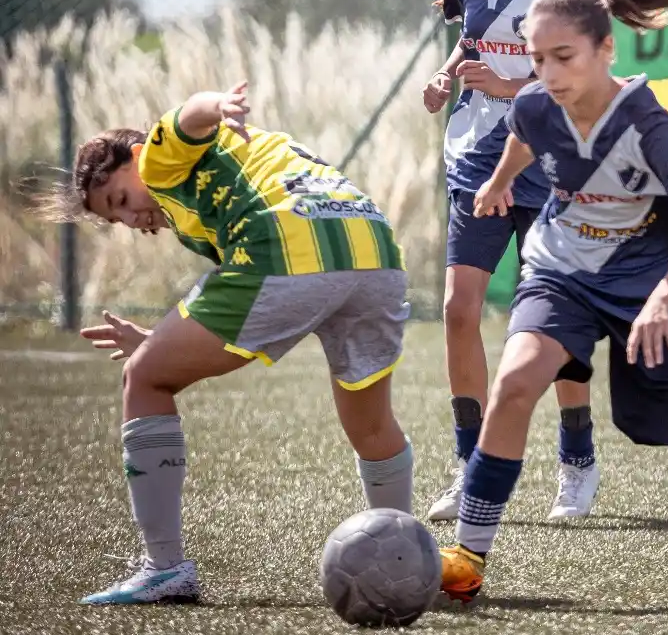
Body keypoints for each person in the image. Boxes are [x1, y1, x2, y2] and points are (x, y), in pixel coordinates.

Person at [438, 0, 668, 603]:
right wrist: (497, 184)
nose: (548, 74)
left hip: (654, 283)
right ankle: (468, 555)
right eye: (538, 58)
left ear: (605, 51)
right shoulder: (533, 104)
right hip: (563, 271)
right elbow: (523, 135)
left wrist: (665, 299)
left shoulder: (648, 122)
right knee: (516, 381)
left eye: (564, 58)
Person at [48, 82, 414, 604]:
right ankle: (403, 558)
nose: (132, 219)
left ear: (134, 158)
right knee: (373, 427)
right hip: (374, 249)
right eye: (118, 219)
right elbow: (263, 305)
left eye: (122, 200)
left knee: (145, 377)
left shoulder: (156, 158)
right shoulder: (230, 169)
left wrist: (215, 104)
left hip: (287, 248)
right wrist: (161, 341)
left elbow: (188, 115)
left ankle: (163, 567)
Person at [423, 0, 599, 523]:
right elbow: (469, 41)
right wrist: (445, 80)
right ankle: (469, 465)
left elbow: (581, 73)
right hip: (473, 163)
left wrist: (510, 89)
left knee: (557, 318)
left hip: (548, 164)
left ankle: (577, 460)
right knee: (458, 308)